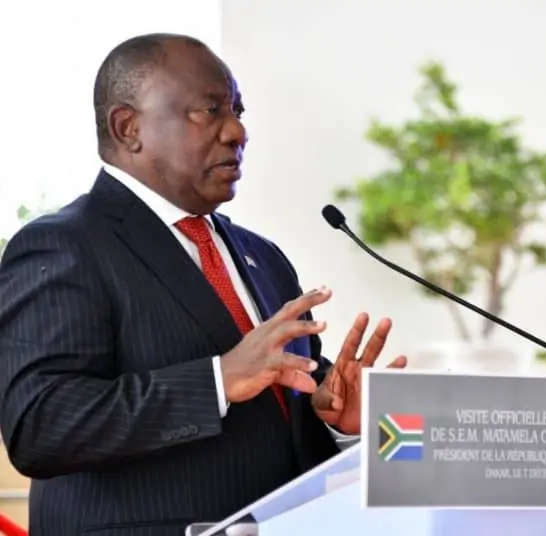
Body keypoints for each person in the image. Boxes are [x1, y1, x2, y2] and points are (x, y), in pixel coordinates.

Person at [0, 32, 407, 535]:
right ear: (129, 128)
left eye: (237, 110)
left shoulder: (263, 256)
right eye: (209, 111)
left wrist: (332, 413)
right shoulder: (65, 245)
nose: (237, 131)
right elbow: (39, 425)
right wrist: (218, 380)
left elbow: (279, 419)